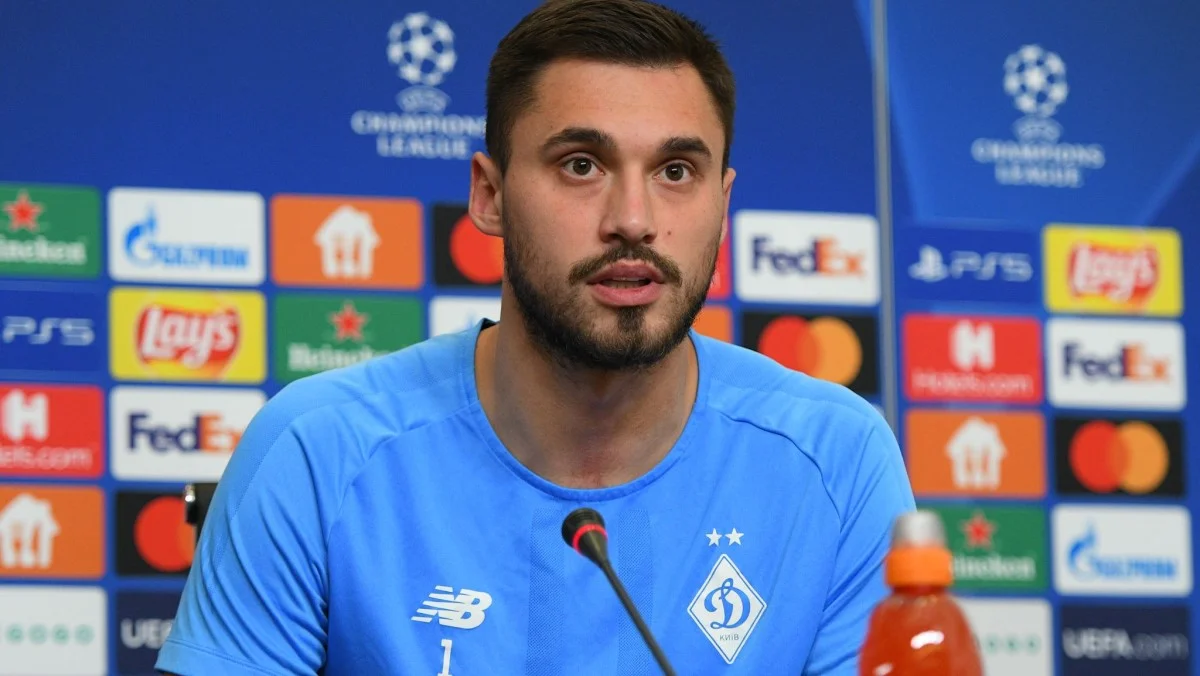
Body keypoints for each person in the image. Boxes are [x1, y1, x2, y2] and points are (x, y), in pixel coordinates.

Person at [156, 0, 915, 673]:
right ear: (489, 194)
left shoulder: (838, 461)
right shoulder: (318, 450)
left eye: (676, 171)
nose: (633, 219)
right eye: (581, 165)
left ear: (723, 202)